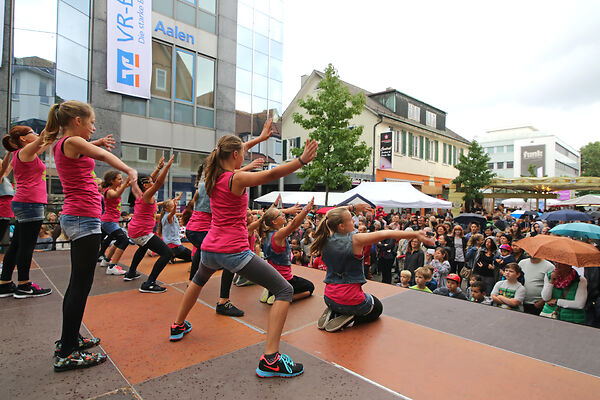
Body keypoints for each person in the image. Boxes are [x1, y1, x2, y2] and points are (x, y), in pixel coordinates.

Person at [170, 133, 318, 378]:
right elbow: (270, 175)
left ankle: (177, 325)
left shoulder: (211, 175)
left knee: (197, 281)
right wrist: (300, 161)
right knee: (284, 291)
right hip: (233, 250)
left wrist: (259, 138)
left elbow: (224, 152)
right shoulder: (235, 178)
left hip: (209, 248)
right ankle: (271, 360)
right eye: (243, 153)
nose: (245, 157)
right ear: (236, 155)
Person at [45, 100, 139, 371]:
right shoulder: (71, 142)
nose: (93, 127)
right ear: (76, 120)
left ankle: (69, 340)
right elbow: (105, 158)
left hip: (81, 217)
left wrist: (96, 141)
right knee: (80, 285)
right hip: (82, 219)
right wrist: (129, 170)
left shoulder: (67, 143)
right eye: (91, 123)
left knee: (79, 283)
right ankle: (67, 352)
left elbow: (89, 149)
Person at [312, 204, 434, 333]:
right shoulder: (355, 240)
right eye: (350, 219)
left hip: (329, 298)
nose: (354, 220)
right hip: (351, 300)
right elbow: (385, 233)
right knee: (377, 308)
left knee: (346, 301)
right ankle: (350, 318)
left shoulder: (324, 239)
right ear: (341, 226)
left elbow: (330, 215)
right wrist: (415, 233)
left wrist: (352, 208)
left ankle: (335, 311)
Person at [0, 126, 54, 299]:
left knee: (16, 245)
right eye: (32, 132)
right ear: (23, 139)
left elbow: (47, 141)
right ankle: (24, 285)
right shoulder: (25, 151)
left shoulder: (23, 153)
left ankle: (5, 283)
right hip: (30, 202)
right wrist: (55, 117)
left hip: (24, 202)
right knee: (26, 247)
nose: (36, 135)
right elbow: (44, 137)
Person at [124, 156, 176, 292]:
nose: (152, 182)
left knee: (142, 248)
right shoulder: (147, 195)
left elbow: (151, 180)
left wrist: (158, 168)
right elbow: (158, 182)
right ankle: (149, 283)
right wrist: (167, 167)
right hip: (141, 232)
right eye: (150, 182)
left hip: (135, 230)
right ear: (146, 186)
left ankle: (131, 272)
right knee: (167, 253)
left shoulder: (140, 193)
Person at [258, 199, 316, 304]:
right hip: (284, 279)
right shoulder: (278, 235)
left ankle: (271, 290)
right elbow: (294, 224)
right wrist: (306, 209)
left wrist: (287, 210)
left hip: (271, 277)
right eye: (280, 214)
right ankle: (280, 296)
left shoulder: (265, 233)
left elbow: (266, 215)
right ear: (274, 221)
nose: (283, 215)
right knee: (310, 288)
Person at [98, 170, 131, 276]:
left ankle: (106, 260)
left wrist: (131, 182)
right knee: (124, 240)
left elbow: (122, 188)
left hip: (112, 221)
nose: (121, 180)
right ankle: (112, 267)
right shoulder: (109, 191)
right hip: (108, 221)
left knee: (117, 240)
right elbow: (116, 195)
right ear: (112, 181)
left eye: (122, 178)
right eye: (119, 179)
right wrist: (125, 183)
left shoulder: (115, 188)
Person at [158, 193, 193, 263]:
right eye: (172, 206)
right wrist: (175, 206)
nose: (174, 207)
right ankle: (172, 254)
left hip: (171, 244)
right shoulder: (169, 216)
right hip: (174, 245)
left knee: (190, 256)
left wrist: (176, 200)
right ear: (166, 209)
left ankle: (171, 254)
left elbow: (174, 212)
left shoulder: (166, 214)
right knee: (193, 257)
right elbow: (173, 213)